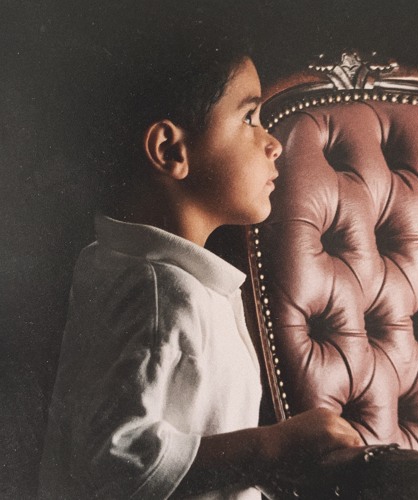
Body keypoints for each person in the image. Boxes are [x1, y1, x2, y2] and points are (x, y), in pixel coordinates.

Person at [38, 3, 362, 499]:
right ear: (171, 151)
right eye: (249, 118)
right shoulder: (155, 289)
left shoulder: (154, 276)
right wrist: (270, 448)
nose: (273, 144)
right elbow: (111, 462)